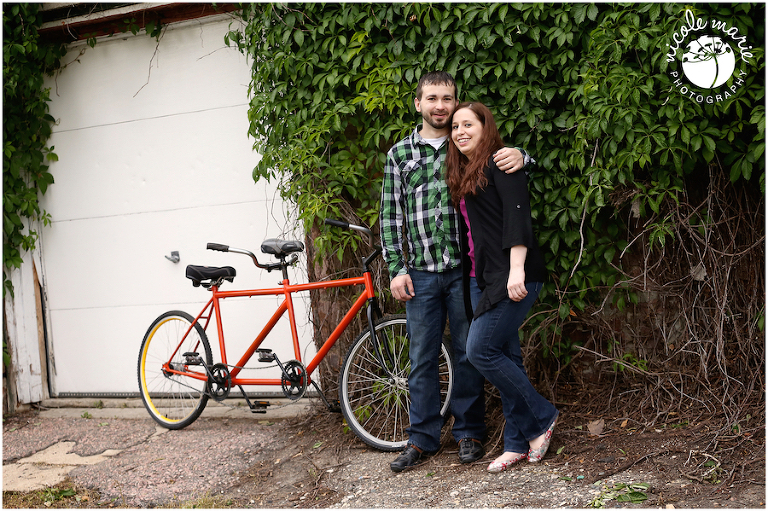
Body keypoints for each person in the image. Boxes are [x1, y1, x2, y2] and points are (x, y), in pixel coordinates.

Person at [379, 71, 534, 472]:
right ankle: (422, 438)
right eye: (431, 98)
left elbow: (503, 162)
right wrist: (396, 268)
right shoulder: (400, 155)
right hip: (422, 273)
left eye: (447, 98)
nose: (440, 106)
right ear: (418, 104)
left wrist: (524, 156)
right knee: (422, 356)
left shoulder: (463, 144)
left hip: (466, 271)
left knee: (469, 352)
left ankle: (469, 433)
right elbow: (391, 216)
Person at [445, 101, 559, 473]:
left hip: (513, 274)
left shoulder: (502, 162)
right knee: (507, 357)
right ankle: (518, 442)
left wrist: (516, 270)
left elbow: (517, 217)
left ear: (485, 126)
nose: (460, 131)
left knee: (479, 350)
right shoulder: (466, 170)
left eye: (468, 124)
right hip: (483, 277)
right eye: (455, 126)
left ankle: (541, 417)